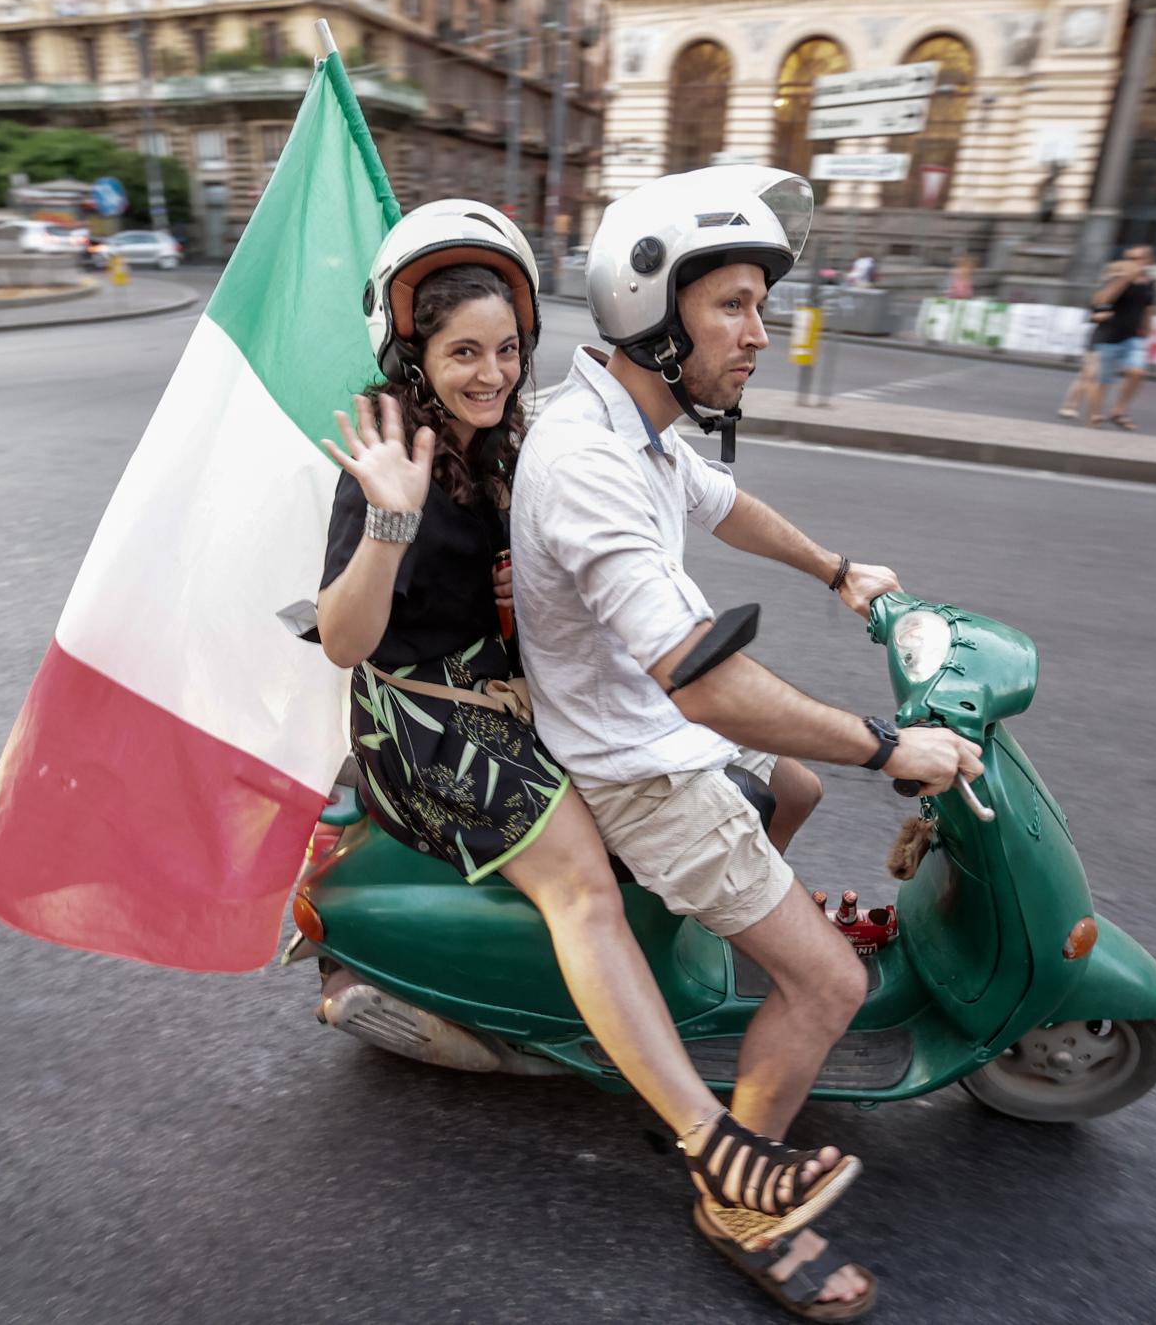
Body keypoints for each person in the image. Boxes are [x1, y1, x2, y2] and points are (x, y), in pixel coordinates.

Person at [310, 200, 864, 1286]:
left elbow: (683, 504)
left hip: (516, 688)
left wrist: (837, 569)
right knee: (581, 885)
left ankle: (691, 983)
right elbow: (345, 639)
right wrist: (388, 518)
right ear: (414, 354)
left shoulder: (519, 432)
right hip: (424, 720)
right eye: (462, 353)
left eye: (506, 349)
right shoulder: (388, 450)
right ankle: (715, 1147)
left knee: (784, 783)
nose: (490, 374)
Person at [511, 165, 985, 1321]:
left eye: (759, 307)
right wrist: (889, 747)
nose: (758, 333)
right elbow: (706, 684)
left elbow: (721, 503)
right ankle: (736, 1201)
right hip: (638, 766)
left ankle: (718, 962)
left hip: (643, 725)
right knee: (833, 979)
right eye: (731, 305)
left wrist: (836, 570)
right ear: (652, 310)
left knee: (794, 788)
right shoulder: (587, 464)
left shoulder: (636, 425)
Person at [1074, 245, 1156, 430]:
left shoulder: (1150, 283)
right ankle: (1095, 414)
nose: (1134, 263)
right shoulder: (1117, 278)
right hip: (1109, 335)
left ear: (1149, 261)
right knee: (1103, 380)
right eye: (1131, 259)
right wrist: (1124, 279)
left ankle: (1119, 411)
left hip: (1133, 336)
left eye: (1138, 259)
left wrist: (1149, 327)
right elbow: (1102, 301)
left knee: (1138, 372)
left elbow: (1149, 307)